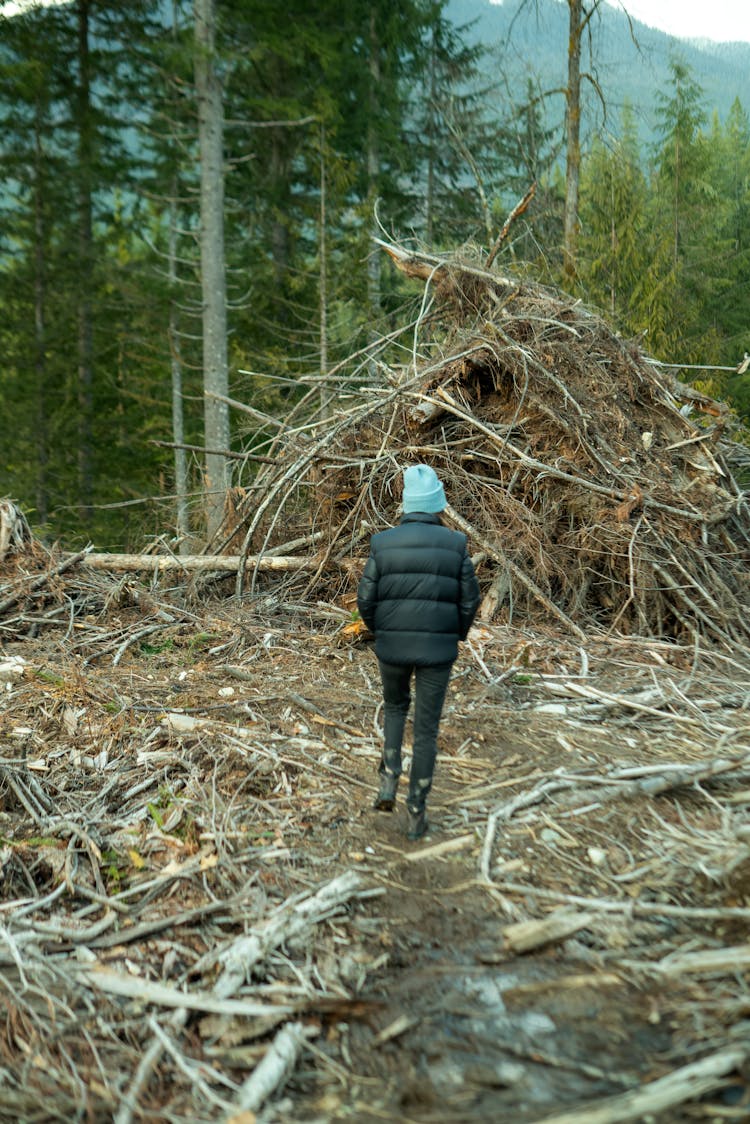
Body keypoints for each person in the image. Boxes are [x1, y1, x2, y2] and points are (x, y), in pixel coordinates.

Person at [356, 464, 481, 840]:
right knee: (426, 731)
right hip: (437, 652)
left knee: (395, 707)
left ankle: (388, 780)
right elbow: (469, 601)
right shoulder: (457, 544)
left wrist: (384, 632)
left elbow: (366, 598)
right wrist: (453, 635)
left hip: (392, 647)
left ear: (407, 504)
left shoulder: (382, 543)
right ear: (437, 506)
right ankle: (416, 812)